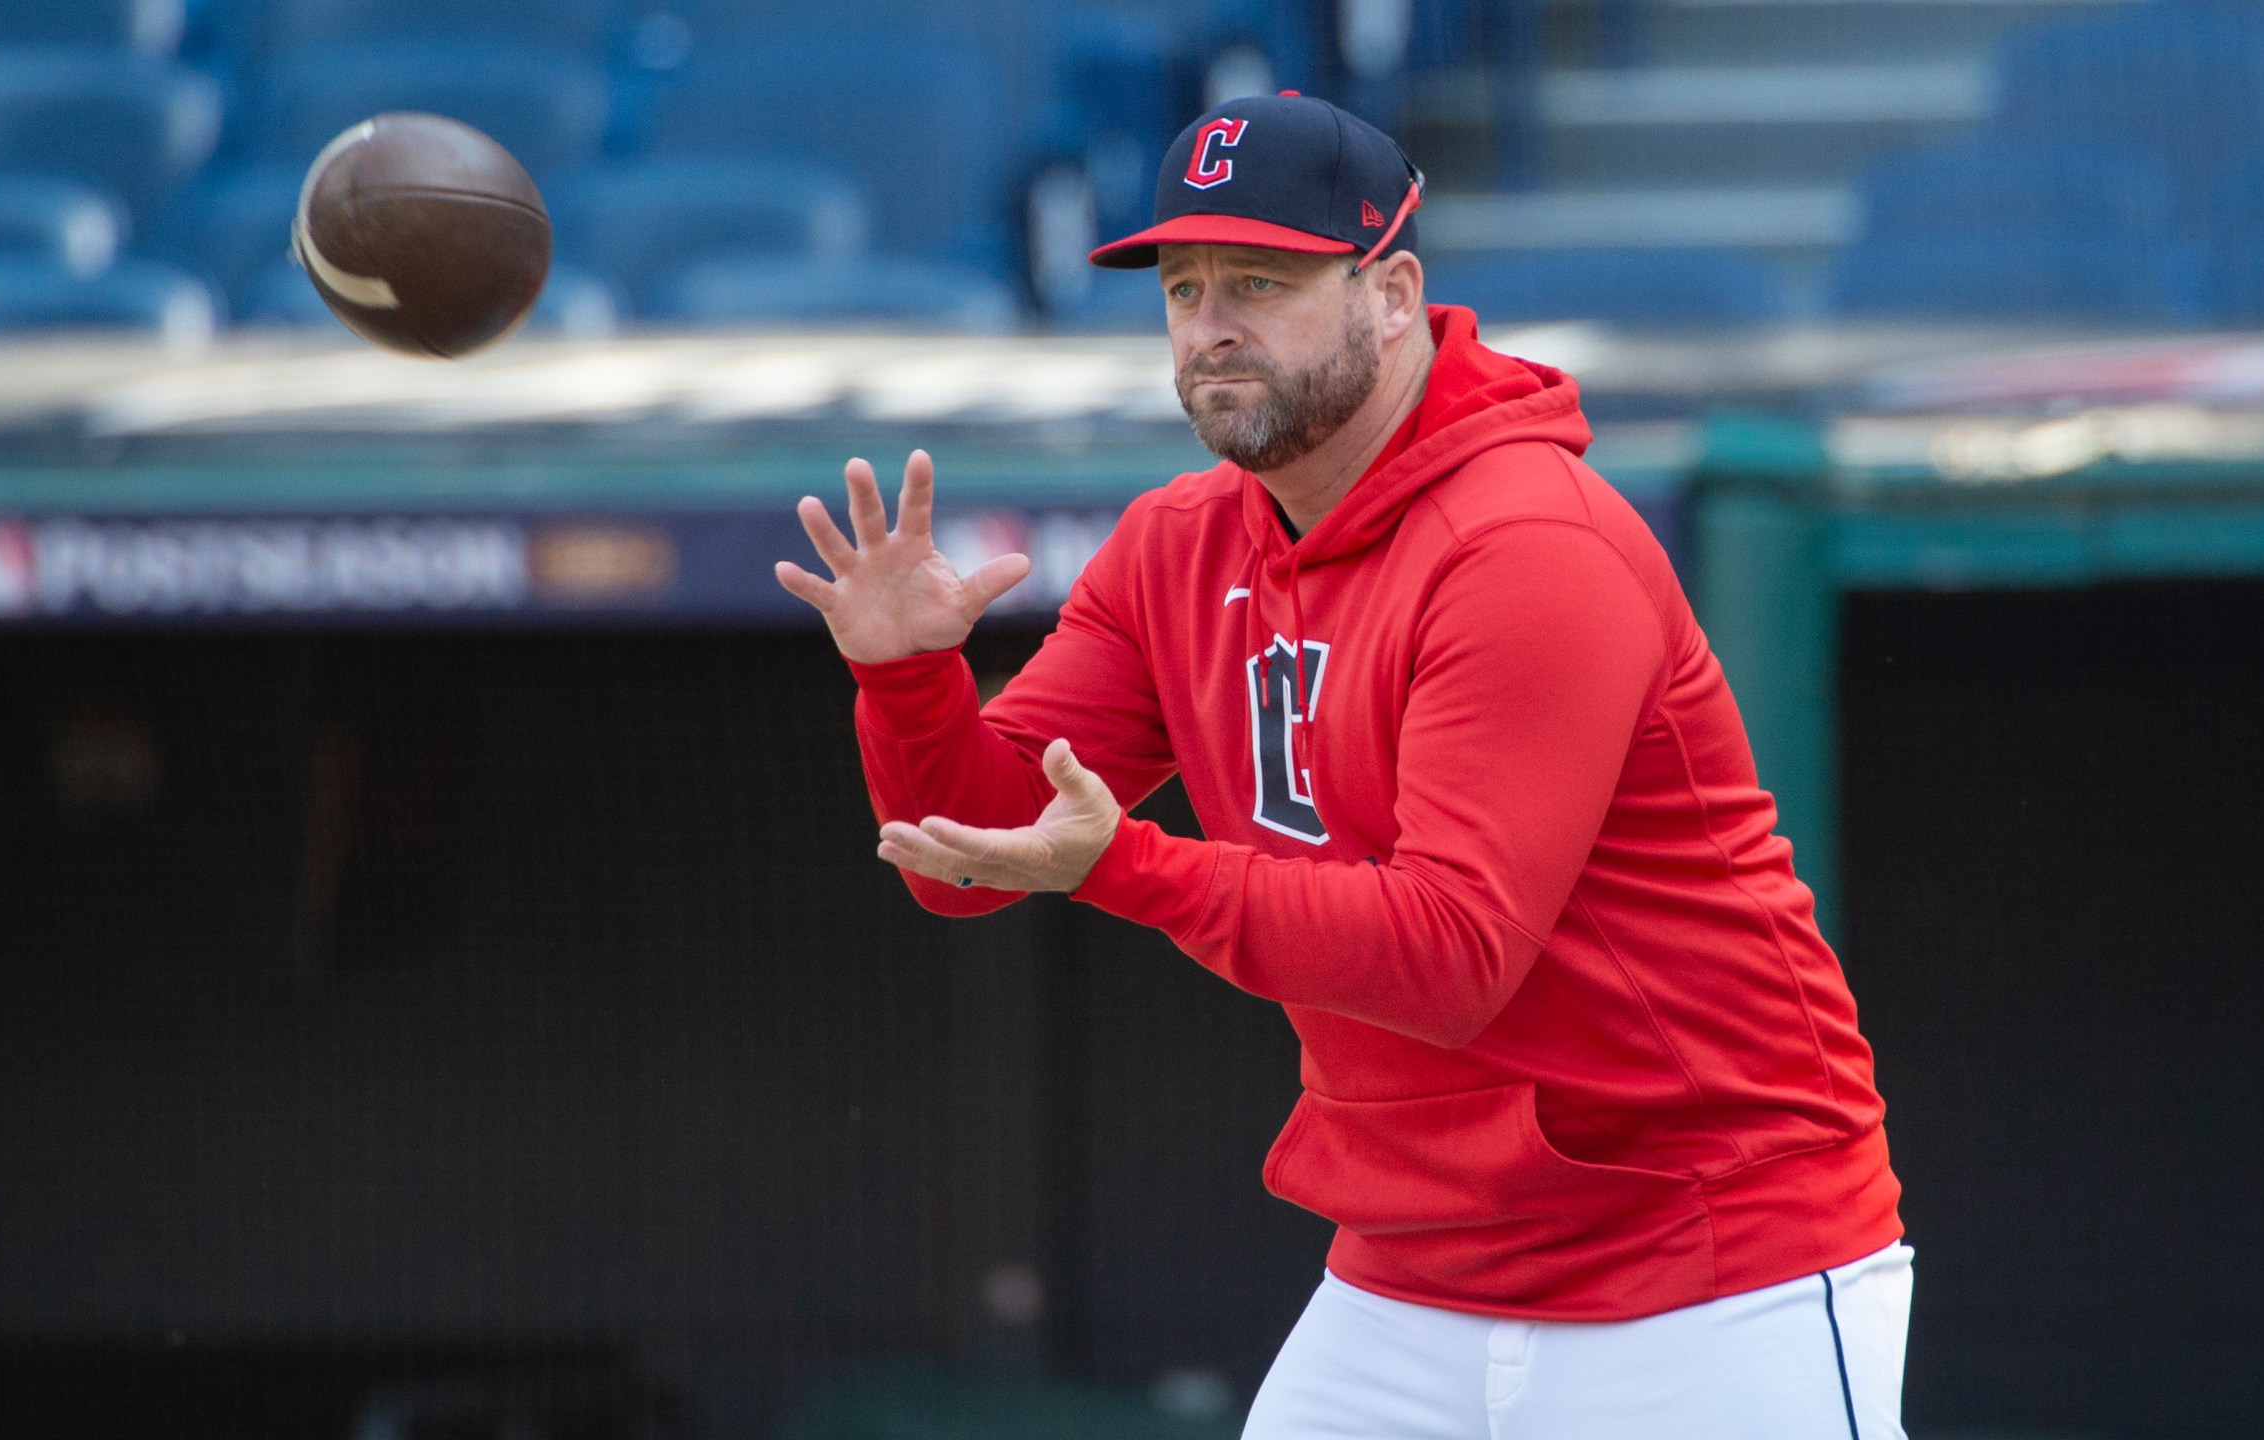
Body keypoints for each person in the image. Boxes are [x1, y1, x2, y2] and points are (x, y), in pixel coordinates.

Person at [776, 92, 1911, 1440]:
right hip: (1413, 1277)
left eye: (1262, 279)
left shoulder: (1530, 543)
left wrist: (1129, 866)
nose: (1210, 326)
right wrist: (910, 686)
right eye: (1184, 287)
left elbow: (1448, 954)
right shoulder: (1178, 545)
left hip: (1708, 1266)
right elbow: (966, 863)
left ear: (1391, 292)